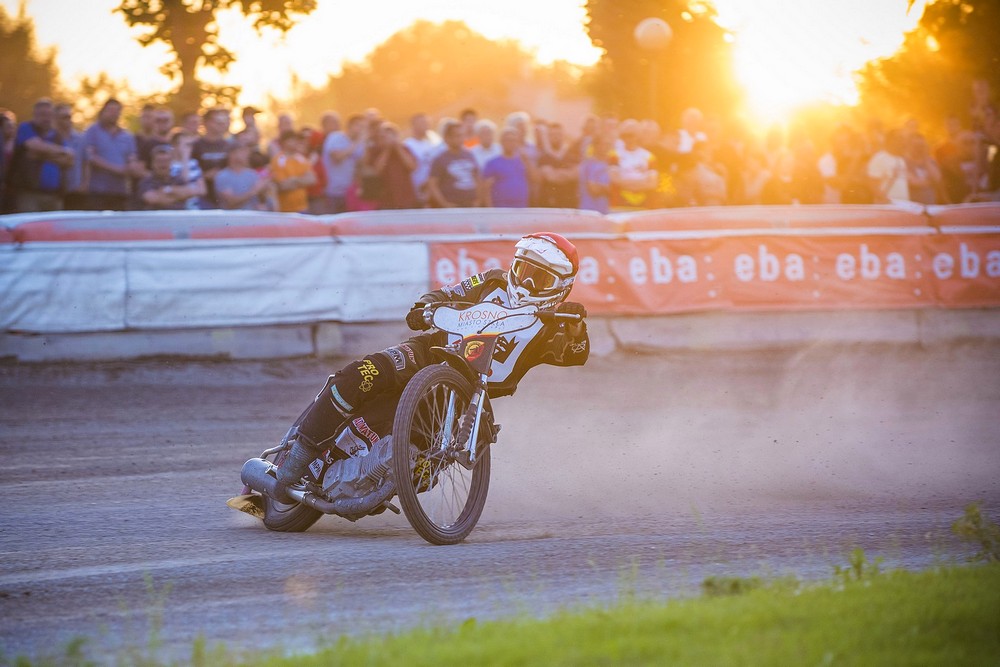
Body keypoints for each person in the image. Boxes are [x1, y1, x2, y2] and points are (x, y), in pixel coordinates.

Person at [270, 232, 590, 502]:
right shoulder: (492, 280)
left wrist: (576, 327)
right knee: (358, 376)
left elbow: (577, 353)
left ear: (561, 286)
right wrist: (425, 306)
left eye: (540, 278)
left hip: (461, 397)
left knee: (421, 474)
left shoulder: (556, 327)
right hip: (426, 353)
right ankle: (294, 462)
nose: (527, 282)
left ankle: (359, 486)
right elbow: (448, 294)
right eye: (523, 270)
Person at [9, 98, 74, 212]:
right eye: (42, 114)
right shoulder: (26, 128)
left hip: (54, 195)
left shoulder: (56, 135)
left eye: (49, 114)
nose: (46, 118)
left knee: (54, 229)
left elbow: (69, 161)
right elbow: (34, 146)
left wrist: (42, 155)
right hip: (29, 194)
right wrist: (62, 151)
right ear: (35, 115)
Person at [82, 98, 142, 210]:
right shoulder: (92, 131)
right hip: (97, 191)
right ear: (103, 111)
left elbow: (132, 157)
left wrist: (133, 166)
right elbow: (90, 157)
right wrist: (117, 169)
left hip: (120, 191)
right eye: (110, 110)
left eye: (117, 111)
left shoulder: (127, 136)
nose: (113, 114)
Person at [361, 121, 417, 210]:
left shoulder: (404, 149)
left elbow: (412, 167)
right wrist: (387, 150)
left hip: (405, 197)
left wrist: (397, 147)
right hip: (385, 199)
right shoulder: (376, 151)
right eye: (383, 136)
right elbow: (377, 171)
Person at [135, 144, 205, 210]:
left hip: (178, 218)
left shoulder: (177, 179)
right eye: (159, 161)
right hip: (155, 220)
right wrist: (177, 195)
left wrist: (167, 189)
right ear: (152, 163)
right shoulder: (146, 182)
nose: (163, 165)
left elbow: (190, 192)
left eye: (166, 161)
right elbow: (153, 199)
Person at [427, 120, 480, 208]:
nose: (462, 139)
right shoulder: (440, 159)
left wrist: (478, 200)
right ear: (448, 138)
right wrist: (443, 204)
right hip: (452, 206)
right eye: (458, 136)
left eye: (463, 135)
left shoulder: (469, 155)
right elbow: (432, 185)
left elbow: (477, 178)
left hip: (470, 204)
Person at [481, 127, 532, 208]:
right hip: (500, 208)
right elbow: (485, 190)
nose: (511, 143)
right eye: (508, 140)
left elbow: (536, 179)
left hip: (521, 207)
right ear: (501, 142)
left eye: (513, 140)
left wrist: (527, 161)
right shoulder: (492, 163)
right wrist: (490, 210)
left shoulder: (523, 161)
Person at [192, 108, 232, 208]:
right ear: (206, 123)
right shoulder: (196, 145)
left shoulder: (229, 146)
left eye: (223, 122)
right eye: (217, 122)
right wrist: (204, 176)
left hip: (225, 196)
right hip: (202, 197)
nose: (221, 125)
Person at [270, 130, 316, 213]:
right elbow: (283, 186)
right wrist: (302, 181)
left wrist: (294, 180)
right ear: (285, 142)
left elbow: (312, 179)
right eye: (293, 140)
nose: (296, 142)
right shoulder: (278, 160)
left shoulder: (301, 158)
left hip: (303, 207)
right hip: (286, 210)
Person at [215, 143, 271, 210]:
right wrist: (254, 191)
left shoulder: (252, 174)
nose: (247, 155)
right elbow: (231, 203)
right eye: (243, 151)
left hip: (252, 217)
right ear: (232, 154)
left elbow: (260, 200)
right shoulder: (222, 176)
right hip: (233, 218)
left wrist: (265, 189)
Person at [403, 112, 441, 207]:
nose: (426, 126)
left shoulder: (431, 144)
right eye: (422, 123)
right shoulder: (407, 145)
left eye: (427, 123)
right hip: (415, 189)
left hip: (431, 190)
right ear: (414, 125)